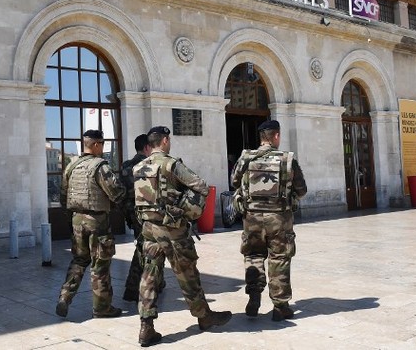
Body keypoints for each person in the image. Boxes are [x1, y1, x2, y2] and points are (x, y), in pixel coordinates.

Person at [134, 126, 232, 347]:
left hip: (149, 230)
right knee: (188, 274)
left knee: (148, 277)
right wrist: (187, 210)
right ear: (166, 141)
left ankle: (145, 327)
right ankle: (204, 317)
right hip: (173, 231)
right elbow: (201, 187)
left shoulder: (139, 167)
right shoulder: (172, 164)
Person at [230, 119, 307, 321]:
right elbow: (302, 190)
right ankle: (280, 306)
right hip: (279, 219)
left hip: (252, 218)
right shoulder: (287, 160)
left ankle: (254, 297)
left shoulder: (245, 158)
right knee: (279, 258)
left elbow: (234, 181)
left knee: (253, 256)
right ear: (276, 136)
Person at [55, 129, 126, 319]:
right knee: (100, 264)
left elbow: (63, 195)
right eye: (102, 144)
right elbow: (116, 192)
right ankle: (102, 308)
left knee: (79, 260)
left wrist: (72, 216)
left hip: (77, 219)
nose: (103, 148)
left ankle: (64, 297)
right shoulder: (100, 166)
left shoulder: (71, 165)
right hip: (97, 221)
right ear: (95, 145)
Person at [120, 133, 164, 302]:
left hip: (132, 213)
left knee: (147, 247)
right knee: (146, 249)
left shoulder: (126, 166)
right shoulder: (148, 165)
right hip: (148, 214)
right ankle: (132, 288)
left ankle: (158, 283)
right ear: (147, 147)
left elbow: (121, 193)